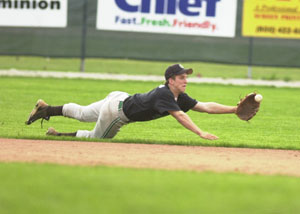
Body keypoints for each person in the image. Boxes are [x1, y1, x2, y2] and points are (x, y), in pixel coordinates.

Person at [26, 64, 237, 140]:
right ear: (170, 80)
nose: (186, 80)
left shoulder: (179, 96)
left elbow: (206, 107)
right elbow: (181, 115)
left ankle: (46, 109)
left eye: (186, 76)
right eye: (182, 77)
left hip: (119, 98)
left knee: (82, 113)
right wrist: (200, 133)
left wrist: (234, 109)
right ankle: (58, 134)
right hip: (117, 113)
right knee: (96, 138)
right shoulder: (164, 94)